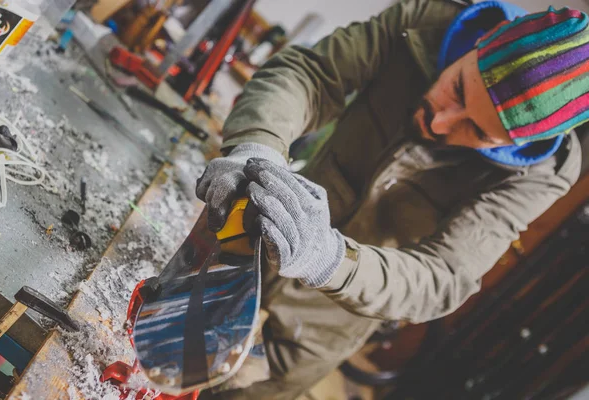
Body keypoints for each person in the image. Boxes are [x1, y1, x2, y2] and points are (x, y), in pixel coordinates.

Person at [196, 0, 585, 398]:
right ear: (480, 43)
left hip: (314, 328)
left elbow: (444, 274)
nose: (440, 120)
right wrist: (256, 147)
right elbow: (311, 74)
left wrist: (329, 260)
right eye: (458, 89)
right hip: (241, 254)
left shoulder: (544, 173)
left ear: (518, 146)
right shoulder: (425, 21)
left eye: (479, 132)